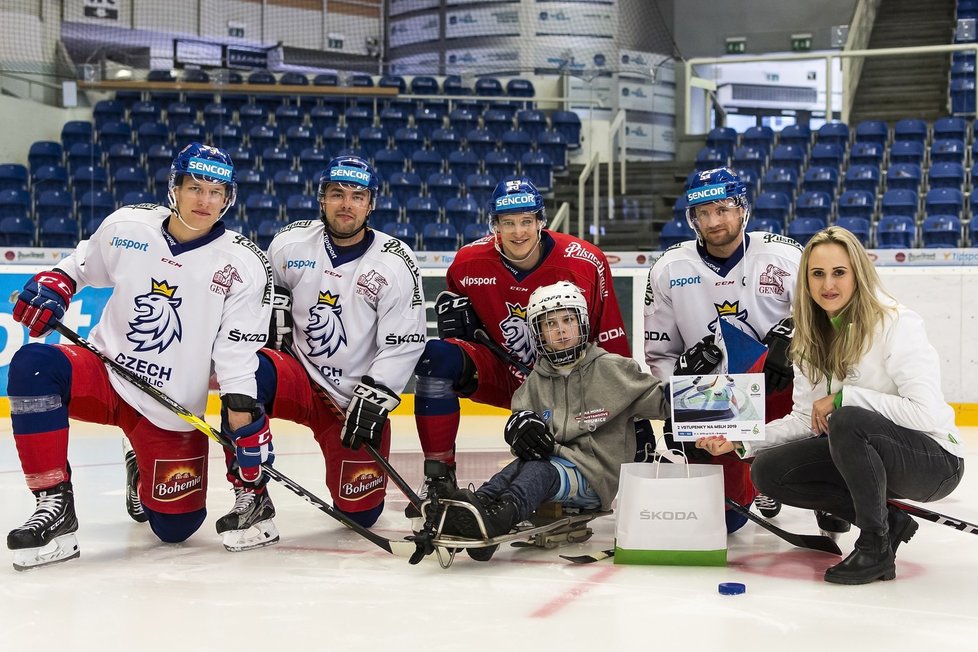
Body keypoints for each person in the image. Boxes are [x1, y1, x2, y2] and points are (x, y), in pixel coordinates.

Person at [6, 142, 275, 570]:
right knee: (33, 364)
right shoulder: (128, 226)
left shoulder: (245, 264)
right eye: (195, 187)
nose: (205, 200)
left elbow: (237, 356)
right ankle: (54, 504)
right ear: (175, 188)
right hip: (106, 373)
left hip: (171, 406)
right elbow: (80, 265)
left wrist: (245, 423)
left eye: (216, 191)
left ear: (229, 198)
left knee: (176, 528)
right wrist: (56, 282)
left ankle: (139, 460)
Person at [696, 226, 966, 584]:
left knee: (848, 420)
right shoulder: (809, 338)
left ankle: (875, 548)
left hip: (933, 462)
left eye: (839, 272)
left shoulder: (896, 322)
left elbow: (925, 413)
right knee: (769, 470)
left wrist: (844, 398)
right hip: (867, 453)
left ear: (858, 273)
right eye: (817, 274)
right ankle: (888, 521)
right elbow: (805, 419)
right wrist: (740, 441)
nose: (828, 285)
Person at [411, 177, 629, 514]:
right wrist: (460, 332)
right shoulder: (468, 263)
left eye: (527, 221)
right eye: (508, 223)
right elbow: (464, 335)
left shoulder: (584, 261)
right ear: (494, 225)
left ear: (541, 222)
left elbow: (611, 342)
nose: (518, 232)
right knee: (435, 358)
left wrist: (630, 417)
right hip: (503, 372)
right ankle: (440, 479)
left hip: (568, 384)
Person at [246, 154, 426, 540]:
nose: (346, 204)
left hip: (352, 399)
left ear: (371, 204)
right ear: (321, 199)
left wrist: (376, 396)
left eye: (357, 196)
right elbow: (259, 298)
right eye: (336, 194)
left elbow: (406, 340)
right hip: (297, 376)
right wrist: (267, 317)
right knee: (245, 378)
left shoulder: (394, 261)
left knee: (360, 515)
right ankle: (251, 492)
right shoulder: (288, 244)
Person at [441, 281, 669, 561]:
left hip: (594, 476)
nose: (560, 330)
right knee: (517, 468)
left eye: (568, 320)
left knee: (540, 471)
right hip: (552, 465)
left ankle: (499, 519)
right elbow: (522, 432)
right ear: (538, 333)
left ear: (582, 324)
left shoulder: (613, 368)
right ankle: (476, 510)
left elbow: (661, 402)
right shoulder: (534, 382)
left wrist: (687, 383)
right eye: (549, 324)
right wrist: (519, 431)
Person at [643, 166, 804, 531]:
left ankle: (786, 475)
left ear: (742, 209)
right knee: (727, 522)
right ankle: (754, 478)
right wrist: (681, 396)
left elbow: (823, 321)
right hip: (714, 398)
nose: (713, 220)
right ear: (693, 219)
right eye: (703, 212)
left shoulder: (786, 256)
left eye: (722, 209)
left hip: (779, 391)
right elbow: (660, 354)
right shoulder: (669, 268)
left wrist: (793, 338)